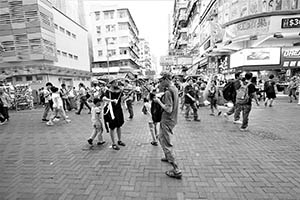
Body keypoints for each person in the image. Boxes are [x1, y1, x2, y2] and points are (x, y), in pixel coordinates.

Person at [153, 71, 182, 179]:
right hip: (172, 120)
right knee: (161, 138)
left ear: (166, 79)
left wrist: (158, 101)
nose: (159, 83)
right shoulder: (174, 89)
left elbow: (168, 109)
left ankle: (176, 169)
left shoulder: (169, 92)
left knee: (166, 144)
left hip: (167, 120)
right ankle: (167, 156)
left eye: (161, 80)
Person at [103, 79, 125, 150]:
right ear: (111, 84)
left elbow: (123, 99)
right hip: (111, 111)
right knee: (112, 127)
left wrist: (127, 95)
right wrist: (112, 100)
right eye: (115, 83)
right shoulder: (108, 91)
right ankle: (113, 143)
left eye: (117, 82)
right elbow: (104, 98)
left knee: (119, 125)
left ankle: (119, 140)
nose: (117, 84)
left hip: (118, 110)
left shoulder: (119, 91)